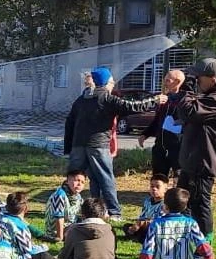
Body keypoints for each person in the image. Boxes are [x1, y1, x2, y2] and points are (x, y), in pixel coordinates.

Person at [65, 67, 167, 220]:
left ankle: (86, 208)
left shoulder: (81, 99)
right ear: (105, 83)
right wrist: (155, 100)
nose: (113, 85)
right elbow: (132, 106)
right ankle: (114, 212)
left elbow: (69, 122)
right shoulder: (106, 98)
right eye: (112, 82)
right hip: (98, 145)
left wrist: (68, 147)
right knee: (106, 178)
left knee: (88, 177)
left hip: (78, 145)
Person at [175, 58, 216, 243]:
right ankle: (184, 238)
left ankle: (205, 243)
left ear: (212, 78)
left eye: (198, 77)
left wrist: (187, 90)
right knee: (183, 200)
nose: (196, 80)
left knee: (200, 202)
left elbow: (188, 111)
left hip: (204, 161)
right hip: (194, 159)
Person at [136, 187, 215, 259]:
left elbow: (147, 253)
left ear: (165, 206)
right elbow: (202, 245)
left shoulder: (156, 224)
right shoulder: (190, 223)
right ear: (185, 206)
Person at [49, 198, 123, 259]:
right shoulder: (111, 231)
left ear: (83, 214)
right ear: (104, 213)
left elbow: (63, 258)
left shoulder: (74, 231)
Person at [140, 70, 186, 180]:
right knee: (158, 176)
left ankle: (176, 196)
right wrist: (145, 134)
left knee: (179, 178)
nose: (164, 83)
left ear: (177, 81)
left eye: (167, 80)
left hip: (177, 146)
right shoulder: (164, 99)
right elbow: (157, 120)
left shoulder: (186, 101)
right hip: (160, 145)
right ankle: (158, 196)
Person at [0, 191, 53, 259]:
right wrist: (42, 248)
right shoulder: (20, 227)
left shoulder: (0, 218)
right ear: (26, 208)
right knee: (44, 256)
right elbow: (28, 251)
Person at [124, 173, 169, 242]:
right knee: (126, 226)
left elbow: (160, 221)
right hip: (143, 225)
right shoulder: (147, 200)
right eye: (152, 186)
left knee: (149, 231)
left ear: (165, 189)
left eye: (157, 187)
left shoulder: (165, 203)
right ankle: (137, 236)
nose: (154, 189)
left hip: (155, 228)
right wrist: (136, 225)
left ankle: (139, 237)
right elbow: (143, 215)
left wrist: (142, 223)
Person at [44, 170, 86, 242]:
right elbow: (59, 217)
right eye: (77, 180)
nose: (79, 184)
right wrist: (59, 238)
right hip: (55, 232)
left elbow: (84, 212)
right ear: (67, 181)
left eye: (82, 182)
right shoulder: (59, 195)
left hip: (71, 226)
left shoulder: (77, 196)